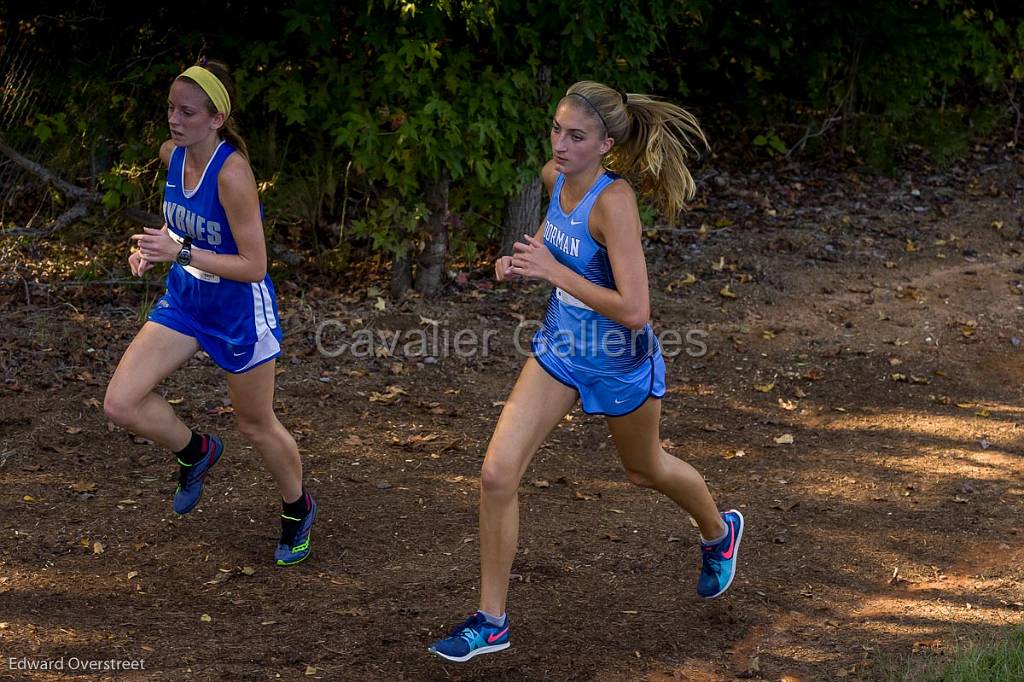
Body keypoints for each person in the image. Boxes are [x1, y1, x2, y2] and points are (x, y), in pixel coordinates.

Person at [429, 81, 743, 662]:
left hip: (620, 358)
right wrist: (523, 263)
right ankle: (491, 621)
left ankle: (719, 533)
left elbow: (635, 309)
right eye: (557, 129)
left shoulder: (613, 202)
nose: (562, 144)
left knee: (645, 470)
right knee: (497, 474)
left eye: (576, 136)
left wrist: (554, 271)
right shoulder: (554, 178)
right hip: (560, 347)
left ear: (605, 146)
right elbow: (557, 243)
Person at [103, 59, 317, 567]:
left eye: (188, 112)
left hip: (238, 310)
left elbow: (253, 265)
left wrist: (176, 252)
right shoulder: (171, 155)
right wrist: (156, 248)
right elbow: (189, 227)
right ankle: (196, 450)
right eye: (171, 109)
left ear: (217, 118)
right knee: (120, 404)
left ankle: (297, 508)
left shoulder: (234, 174)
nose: (175, 120)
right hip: (186, 299)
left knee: (255, 423)